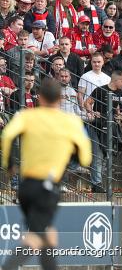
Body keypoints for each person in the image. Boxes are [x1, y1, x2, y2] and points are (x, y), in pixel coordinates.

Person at [0, 79, 91, 270]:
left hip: (25, 187)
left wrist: (9, 165)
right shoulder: (70, 122)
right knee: (35, 238)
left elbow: (7, 136)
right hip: (47, 187)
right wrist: (70, 156)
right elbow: (85, 158)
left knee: (47, 235)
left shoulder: (26, 116)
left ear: (39, 98)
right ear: (60, 99)